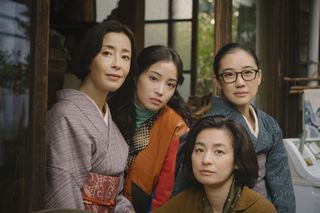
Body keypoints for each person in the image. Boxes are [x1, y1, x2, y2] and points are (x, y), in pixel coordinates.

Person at [45, 20, 137, 213]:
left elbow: (115, 195)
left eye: (126, 57)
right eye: (107, 53)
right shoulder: (66, 115)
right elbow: (65, 193)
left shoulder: (107, 116)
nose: (117, 65)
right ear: (88, 58)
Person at [207, 42, 295, 212]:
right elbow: (185, 189)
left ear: (259, 76)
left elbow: (282, 188)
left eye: (248, 73)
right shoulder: (208, 126)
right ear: (218, 81)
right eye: (229, 75)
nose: (240, 82)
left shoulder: (270, 125)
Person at [108, 45, 192, 213]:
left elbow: (164, 194)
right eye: (153, 78)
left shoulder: (176, 127)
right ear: (136, 76)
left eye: (170, 85)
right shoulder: (109, 109)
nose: (161, 91)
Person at [152, 115, 276, 213]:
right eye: (199, 150)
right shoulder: (184, 202)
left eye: (219, 151)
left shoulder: (260, 209)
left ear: (237, 161)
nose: (206, 160)